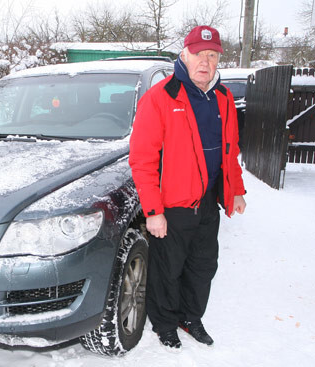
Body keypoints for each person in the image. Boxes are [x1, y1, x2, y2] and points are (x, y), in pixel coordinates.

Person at [129, 25, 247, 350]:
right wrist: (153, 211)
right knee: (168, 271)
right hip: (173, 206)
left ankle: (190, 317)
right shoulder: (161, 98)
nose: (205, 62)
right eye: (198, 54)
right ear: (184, 54)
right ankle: (165, 324)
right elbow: (142, 160)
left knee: (204, 266)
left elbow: (229, 150)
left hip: (208, 202)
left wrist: (235, 190)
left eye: (212, 55)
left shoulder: (223, 98)